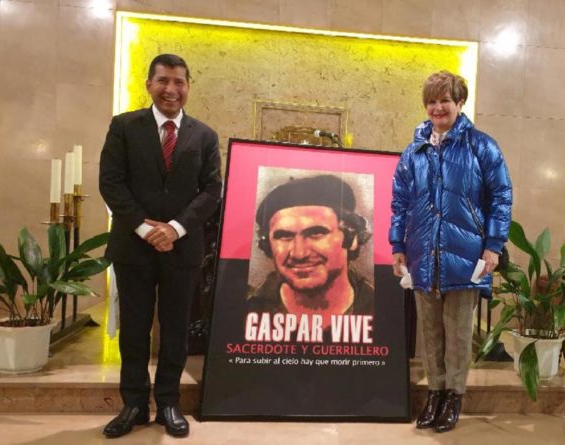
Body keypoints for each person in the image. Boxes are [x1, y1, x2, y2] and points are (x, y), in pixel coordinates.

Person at [99, 54, 222, 438]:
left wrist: (174, 228)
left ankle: (168, 402)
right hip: (133, 247)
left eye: (180, 82)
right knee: (135, 328)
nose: (172, 89)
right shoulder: (124, 126)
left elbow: (212, 190)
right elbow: (111, 181)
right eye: (164, 81)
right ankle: (133, 404)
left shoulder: (204, 135)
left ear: (188, 87)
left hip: (182, 249)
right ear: (149, 84)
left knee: (175, 329)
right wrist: (141, 226)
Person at [389, 71, 512, 433]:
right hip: (422, 254)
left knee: (457, 331)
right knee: (430, 332)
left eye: (445, 100)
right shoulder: (414, 151)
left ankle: (455, 395)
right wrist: (398, 244)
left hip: (465, 254)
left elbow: (501, 197)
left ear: (460, 103)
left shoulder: (482, 146)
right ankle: (435, 394)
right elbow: (400, 201)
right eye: (431, 101)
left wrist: (493, 246)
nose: (437, 107)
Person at [247, 174, 374, 329]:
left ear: (352, 238)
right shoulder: (247, 312)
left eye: (316, 234)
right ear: (267, 245)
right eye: (285, 236)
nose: (299, 254)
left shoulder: (382, 312)